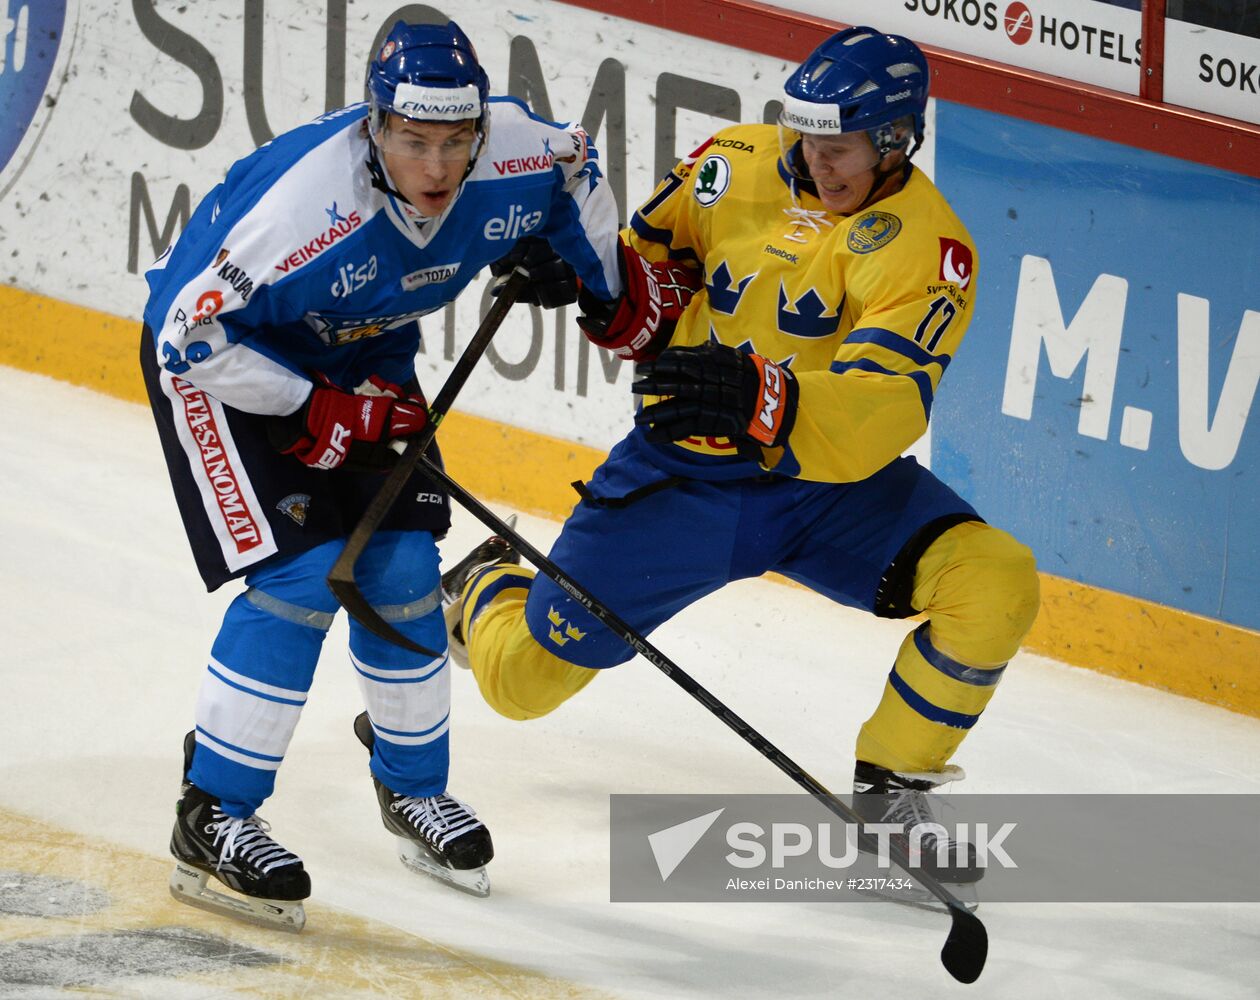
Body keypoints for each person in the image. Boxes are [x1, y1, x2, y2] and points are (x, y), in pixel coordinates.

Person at [445, 26, 1041, 898]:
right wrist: (577, 272)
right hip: (680, 483)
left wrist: (767, 398)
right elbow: (644, 274)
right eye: (807, 140)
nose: (817, 162)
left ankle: (893, 793)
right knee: (521, 685)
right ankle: (485, 591)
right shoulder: (732, 162)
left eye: (840, 148)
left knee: (996, 581)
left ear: (896, 141)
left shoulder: (929, 247)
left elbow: (884, 406)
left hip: (827, 488)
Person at [141, 18, 689, 929]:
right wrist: (316, 409)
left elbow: (573, 168)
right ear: (374, 126)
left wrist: (596, 284)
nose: (436, 168)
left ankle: (412, 790)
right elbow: (184, 338)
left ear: (477, 132)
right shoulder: (301, 213)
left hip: (366, 359)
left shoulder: (515, 154)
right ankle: (213, 814)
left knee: (398, 570)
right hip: (231, 369)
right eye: (412, 142)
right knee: (300, 579)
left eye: (453, 143)